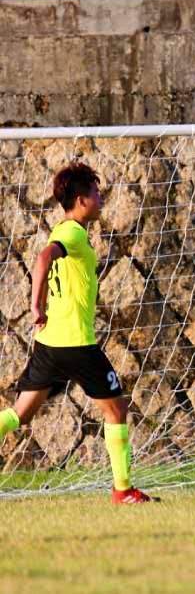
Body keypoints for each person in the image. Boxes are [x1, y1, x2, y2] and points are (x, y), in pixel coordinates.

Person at [0, 163, 156, 503]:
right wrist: (35, 304)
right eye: (96, 194)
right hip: (76, 345)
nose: (101, 199)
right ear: (81, 200)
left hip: (48, 345)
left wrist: (42, 306)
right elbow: (43, 257)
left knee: (20, 415)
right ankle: (123, 490)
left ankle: (123, 490)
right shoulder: (71, 232)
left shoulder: (68, 231)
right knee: (116, 411)